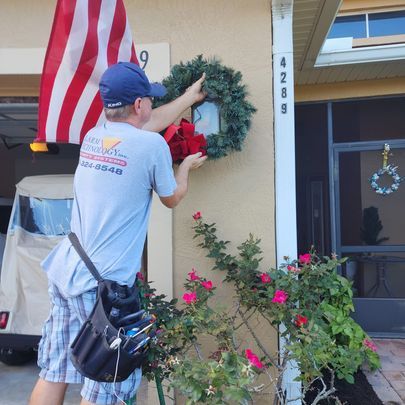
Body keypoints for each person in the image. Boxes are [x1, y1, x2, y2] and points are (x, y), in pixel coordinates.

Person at [29, 62, 207, 405]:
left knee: (54, 371)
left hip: (66, 272)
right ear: (139, 105)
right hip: (102, 289)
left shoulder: (95, 134)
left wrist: (187, 98)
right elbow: (171, 198)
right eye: (149, 100)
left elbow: (148, 125)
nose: (152, 106)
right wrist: (184, 169)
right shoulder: (151, 148)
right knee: (106, 383)